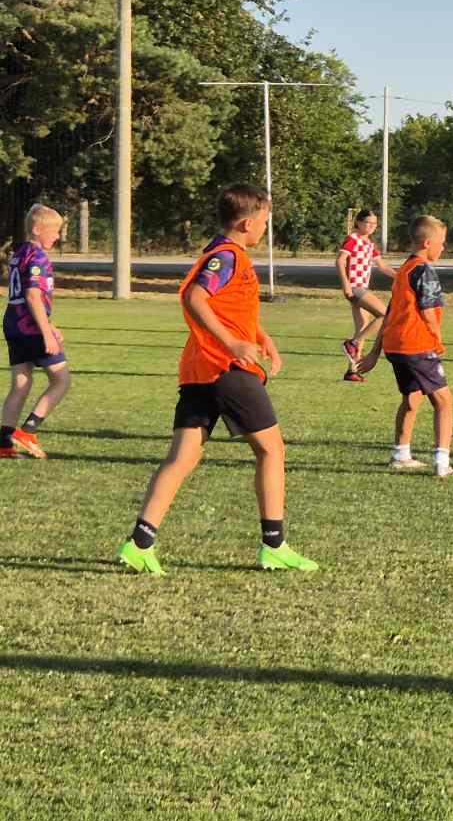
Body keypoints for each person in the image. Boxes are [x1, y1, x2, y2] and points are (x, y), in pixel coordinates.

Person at [118, 185, 319, 576]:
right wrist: (233, 344)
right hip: (226, 369)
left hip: (199, 371)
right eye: (264, 221)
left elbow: (230, 307)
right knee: (272, 451)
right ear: (247, 223)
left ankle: (139, 544)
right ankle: (274, 546)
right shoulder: (226, 257)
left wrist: (260, 336)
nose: (265, 228)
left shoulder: (220, 252)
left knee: (183, 457)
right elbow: (195, 298)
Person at [354, 215, 453, 478]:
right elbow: (429, 312)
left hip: (396, 347)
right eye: (442, 242)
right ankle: (442, 463)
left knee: (411, 398)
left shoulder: (405, 270)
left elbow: (390, 313)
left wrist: (375, 352)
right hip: (417, 345)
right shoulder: (424, 271)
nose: (443, 247)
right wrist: (437, 340)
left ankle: (401, 455)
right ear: (428, 243)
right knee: (444, 402)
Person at [1, 204, 71, 459]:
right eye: (55, 231)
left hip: (13, 322)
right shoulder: (39, 257)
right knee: (61, 380)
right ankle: (28, 431)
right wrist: (46, 333)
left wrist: (49, 324)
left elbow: (22, 296)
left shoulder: (20, 253)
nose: (57, 236)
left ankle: (3, 443)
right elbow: (33, 296)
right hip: (29, 327)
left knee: (21, 383)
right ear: (38, 229)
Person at [336, 209, 396, 381]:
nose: (371, 226)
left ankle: (352, 371)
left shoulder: (369, 243)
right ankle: (352, 344)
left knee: (362, 327)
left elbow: (382, 266)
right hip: (355, 288)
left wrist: (401, 276)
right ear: (358, 222)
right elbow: (340, 261)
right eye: (367, 222)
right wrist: (346, 284)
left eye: (374, 224)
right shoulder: (352, 239)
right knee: (385, 315)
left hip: (362, 287)